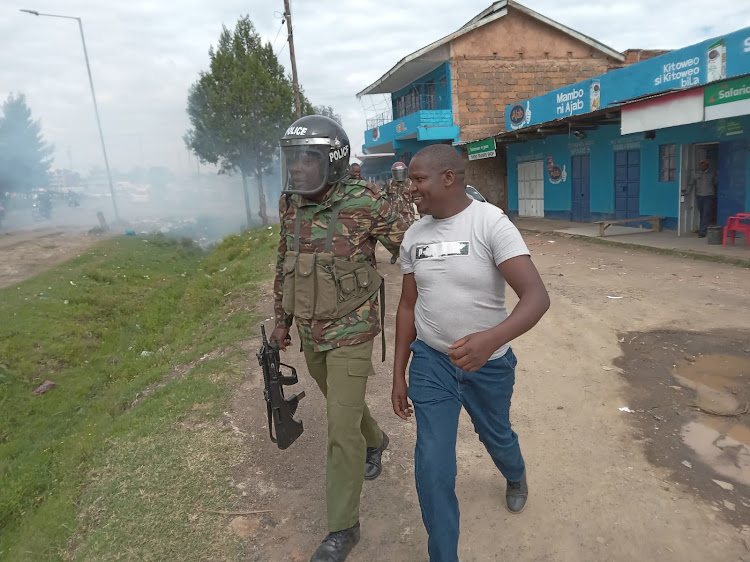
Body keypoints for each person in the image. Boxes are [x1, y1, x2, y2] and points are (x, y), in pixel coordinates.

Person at [391, 144, 550, 561]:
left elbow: (536, 297)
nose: (410, 188)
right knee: (432, 463)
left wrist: (490, 340)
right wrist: (398, 374)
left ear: (448, 177)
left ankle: (515, 476)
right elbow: (407, 306)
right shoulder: (414, 236)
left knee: (497, 437)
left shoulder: (490, 223)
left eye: (417, 179)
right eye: (410, 180)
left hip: (489, 366)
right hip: (432, 362)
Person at [271, 115, 409, 562]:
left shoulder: (367, 200)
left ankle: (342, 528)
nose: (296, 168)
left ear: (331, 161)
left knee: (338, 428)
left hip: (351, 330)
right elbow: (284, 261)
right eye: (291, 159)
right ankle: (377, 441)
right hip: (311, 331)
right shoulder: (290, 203)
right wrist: (282, 320)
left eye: (306, 159)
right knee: (343, 408)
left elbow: (412, 247)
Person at [386, 161, 416, 263]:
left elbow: (416, 198)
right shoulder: (390, 183)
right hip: (395, 216)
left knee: (410, 238)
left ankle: (410, 257)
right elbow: (385, 197)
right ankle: (395, 253)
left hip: (408, 217)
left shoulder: (410, 183)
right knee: (394, 238)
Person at [683, 159, 717, 238]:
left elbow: (716, 183)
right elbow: (691, 184)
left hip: (709, 196)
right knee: (702, 213)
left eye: (704, 164)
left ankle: (702, 232)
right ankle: (703, 227)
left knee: (706, 213)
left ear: (707, 166)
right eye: (701, 164)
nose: (703, 166)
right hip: (699, 196)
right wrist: (686, 192)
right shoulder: (695, 174)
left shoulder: (711, 174)